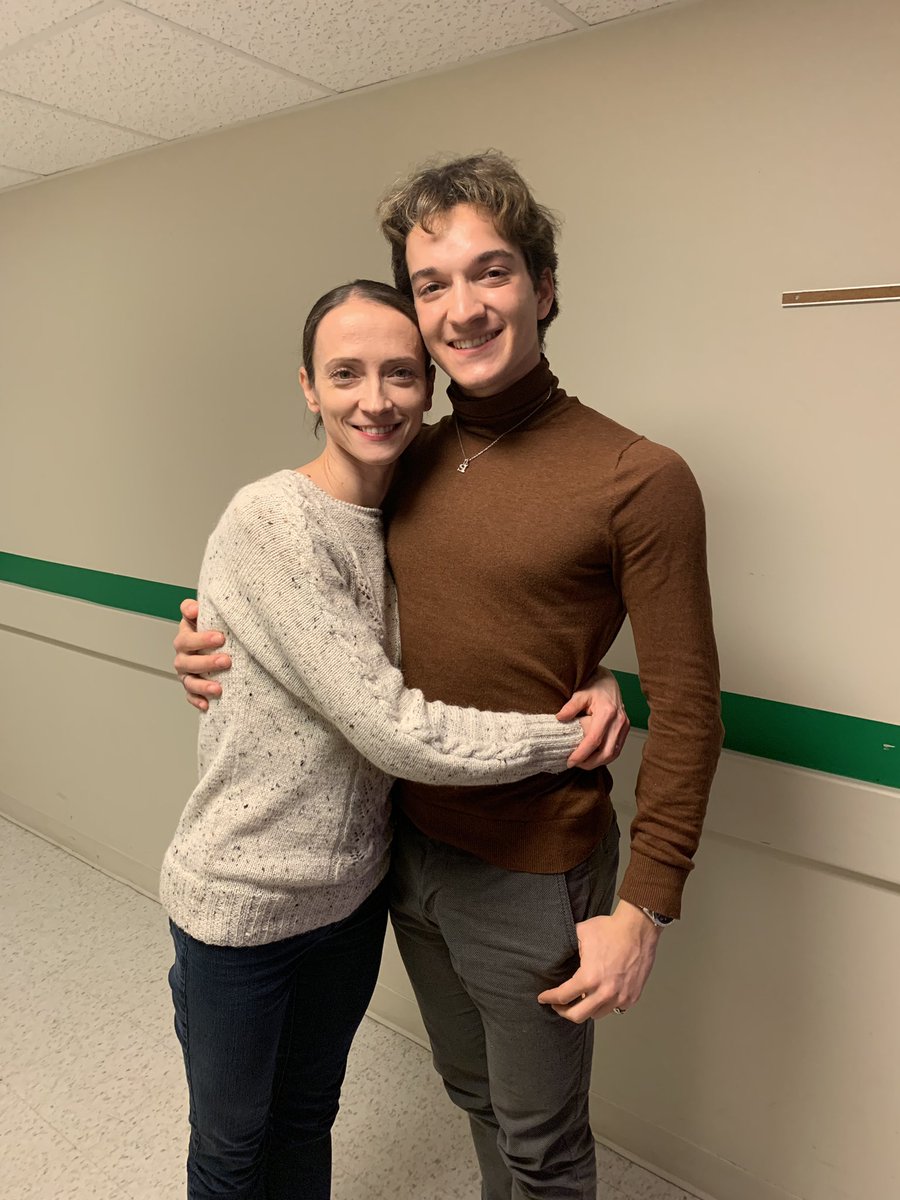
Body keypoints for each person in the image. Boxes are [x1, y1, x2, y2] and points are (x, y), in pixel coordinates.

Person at [175, 152, 723, 1200]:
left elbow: (692, 705)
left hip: (533, 868)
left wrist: (643, 907)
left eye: (492, 273)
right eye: (433, 284)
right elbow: (331, 601)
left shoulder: (640, 477)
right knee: (471, 1096)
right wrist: (205, 634)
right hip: (404, 856)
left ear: (544, 288)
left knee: (542, 1147)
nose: (463, 308)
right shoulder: (405, 455)